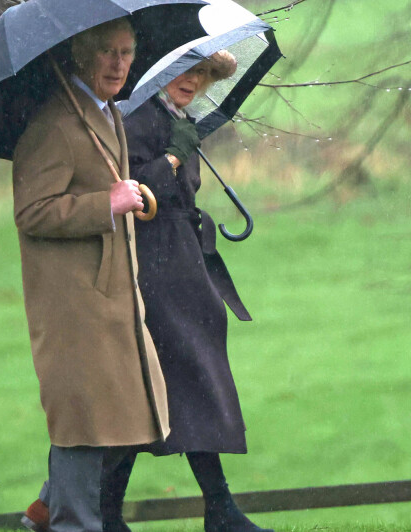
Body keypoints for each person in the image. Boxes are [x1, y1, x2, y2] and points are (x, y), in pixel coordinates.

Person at [23, 53, 273, 532]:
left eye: (202, 74)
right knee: (158, 391)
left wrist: (182, 149)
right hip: (154, 271)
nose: (194, 80)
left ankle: (195, 509)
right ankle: (206, 510)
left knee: (169, 392)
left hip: (184, 268)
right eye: (187, 69)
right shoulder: (135, 119)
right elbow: (131, 194)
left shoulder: (175, 118)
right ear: (161, 72)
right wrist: (173, 158)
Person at [13, 17, 170, 532]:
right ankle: (67, 521)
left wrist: (128, 197)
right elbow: (32, 211)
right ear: (80, 55)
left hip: (113, 304)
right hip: (75, 309)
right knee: (83, 426)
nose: (119, 63)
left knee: (127, 418)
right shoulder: (56, 123)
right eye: (106, 52)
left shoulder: (104, 115)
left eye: (126, 52)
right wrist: (105, 203)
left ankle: (50, 509)